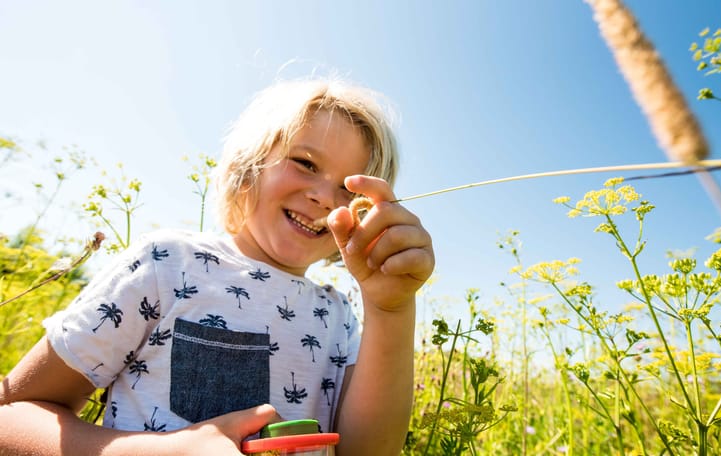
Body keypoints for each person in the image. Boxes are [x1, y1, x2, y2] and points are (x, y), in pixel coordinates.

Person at [0, 78, 435, 455]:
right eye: (305, 163)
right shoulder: (168, 264)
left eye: (347, 189)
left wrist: (391, 310)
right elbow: (13, 417)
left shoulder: (341, 318)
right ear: (248, 169)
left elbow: (365, 452)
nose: (324, 197)